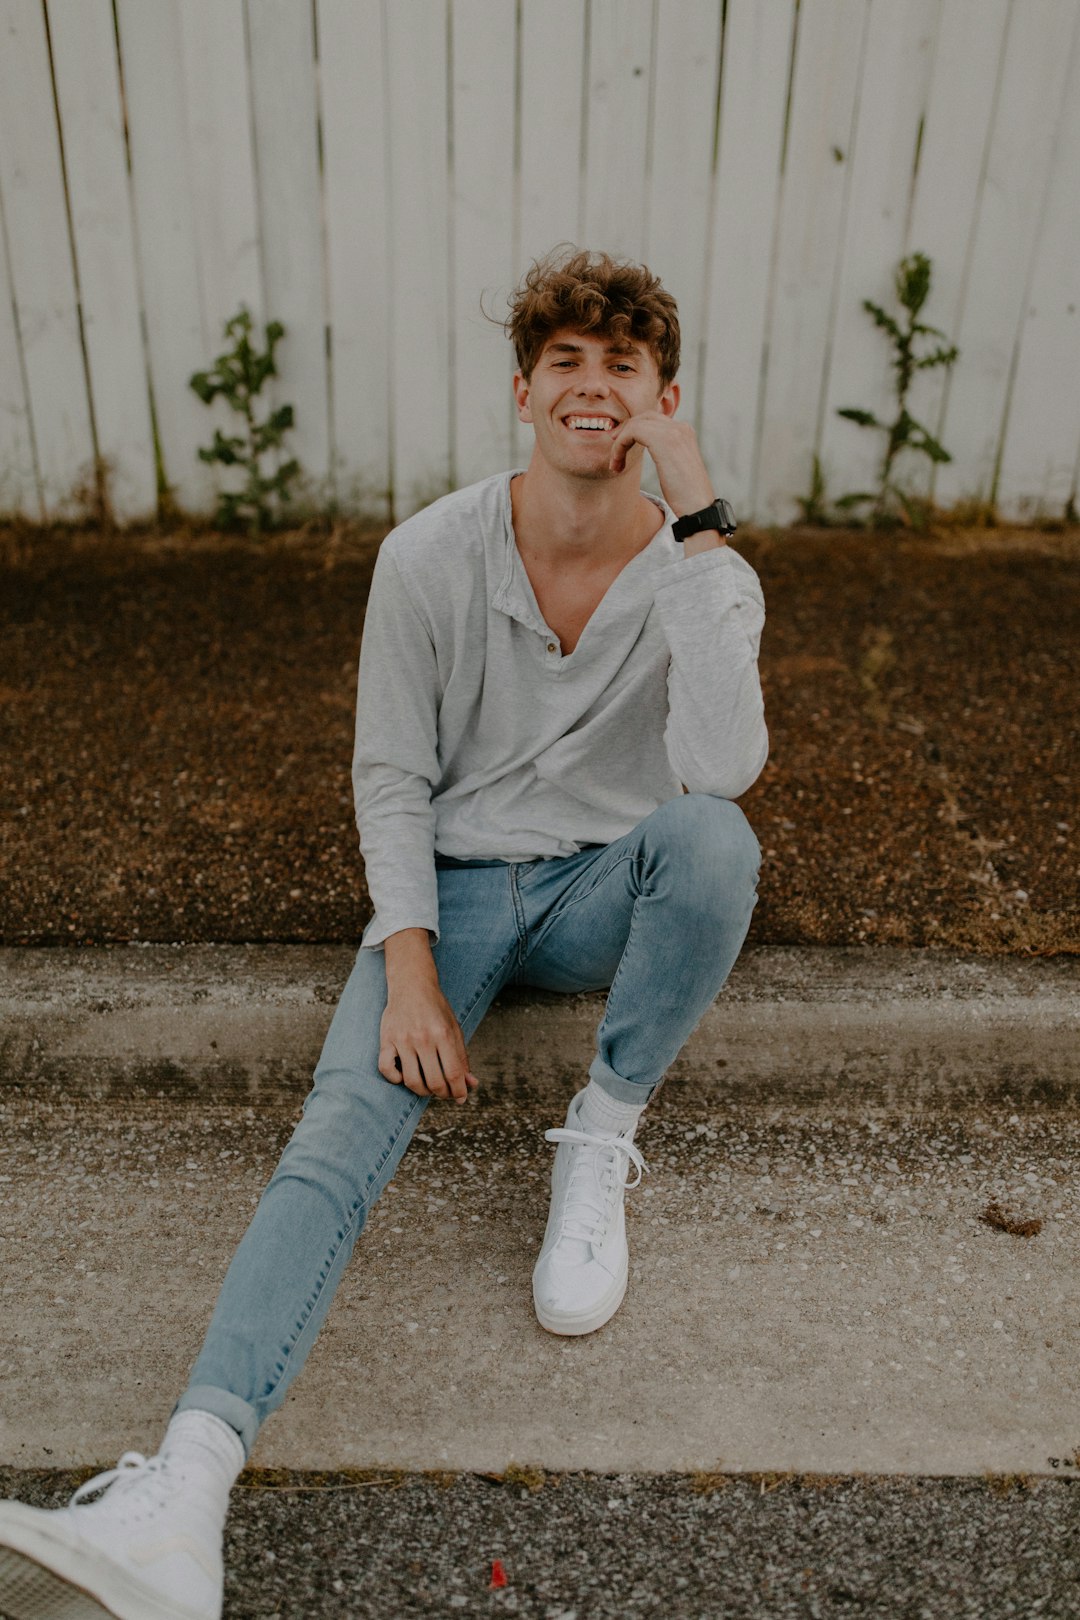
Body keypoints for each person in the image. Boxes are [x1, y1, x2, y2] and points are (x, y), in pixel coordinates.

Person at [0, 246, 768, 1620]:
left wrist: (700, 517)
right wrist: (410, 967)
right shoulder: (427, 553)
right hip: (456, 889)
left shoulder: (700, 572)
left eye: (625, 370)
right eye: (568, 366)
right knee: (335, 1141)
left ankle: (600, 1133)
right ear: (523, 390)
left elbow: (719, 766)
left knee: (715, 843)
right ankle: (187, 1491)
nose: (594, 390)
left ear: (662, 397)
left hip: (604, 883)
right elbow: (390, 777)